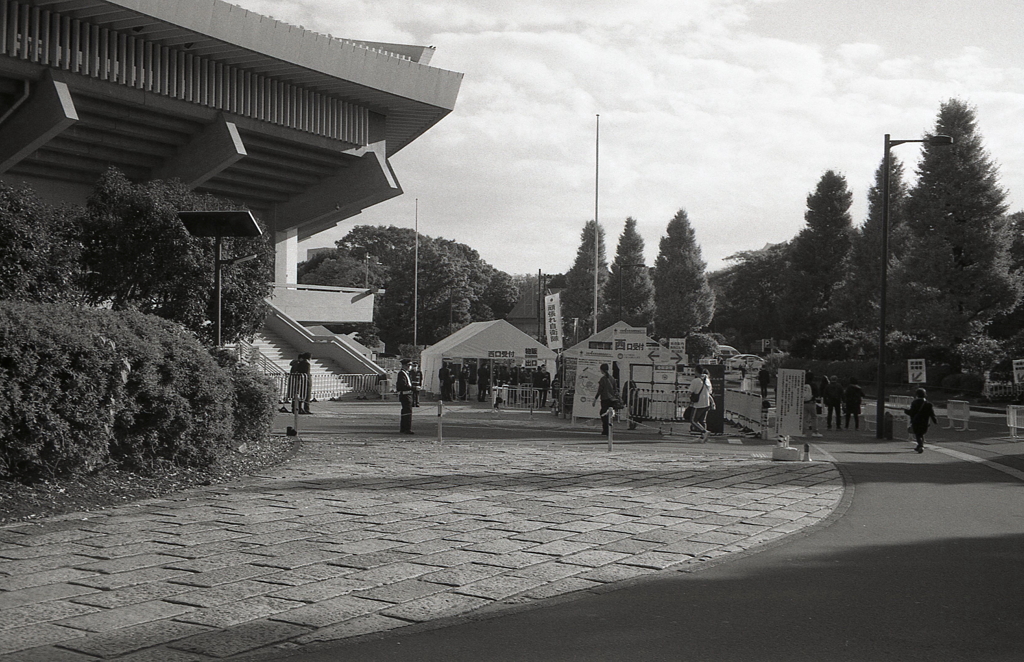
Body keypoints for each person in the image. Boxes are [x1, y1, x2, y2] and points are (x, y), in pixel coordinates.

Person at [906, 388, 938, 453]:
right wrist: (935, 420)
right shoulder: (928, 404)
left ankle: (920, 446)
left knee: (918, 434)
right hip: (925, 422)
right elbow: (932, 414)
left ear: (917, 395)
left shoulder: (915, 403)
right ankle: (919, 446)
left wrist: (905, 411)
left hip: (916, 421)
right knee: (922, 433)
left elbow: (911, 413)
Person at [688, 366, 715, 443]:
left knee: (693, 420)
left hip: (698, 403)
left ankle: (704, 432)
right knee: (702, 420)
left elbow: (690, 392)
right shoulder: (707, 380)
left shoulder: (695, 381)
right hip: (706, 403)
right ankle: (703, 438)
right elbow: (710, 392)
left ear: (696, 371)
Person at [593, 363, 618, 436]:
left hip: (605, 399)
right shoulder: (612, 378)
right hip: (612, 399)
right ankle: (609, 429)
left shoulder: (603, 379)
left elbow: (600, 390)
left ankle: (605, 430)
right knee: (609, 415)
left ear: (602, 370)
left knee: (603, 414)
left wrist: (595, 399)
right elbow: (615, 389)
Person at [396, 358, 417, 434]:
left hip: (408, 394)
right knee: (407, 412)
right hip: (405, 394)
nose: (410, 366)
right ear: (404, 365)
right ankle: (406, 428)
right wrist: (413, 388)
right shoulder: (401, 374)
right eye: (409, 365)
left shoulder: (406, 373)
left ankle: (404, 428)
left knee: (407, 411)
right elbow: (403, 385)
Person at [803, 371, 821, 437]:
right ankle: (815, 432)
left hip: (804, 402)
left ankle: (803, 432)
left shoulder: (803, 384)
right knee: (814, 417)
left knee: (804, 418)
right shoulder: (813, 385)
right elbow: (817, 393)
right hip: (811, 402)